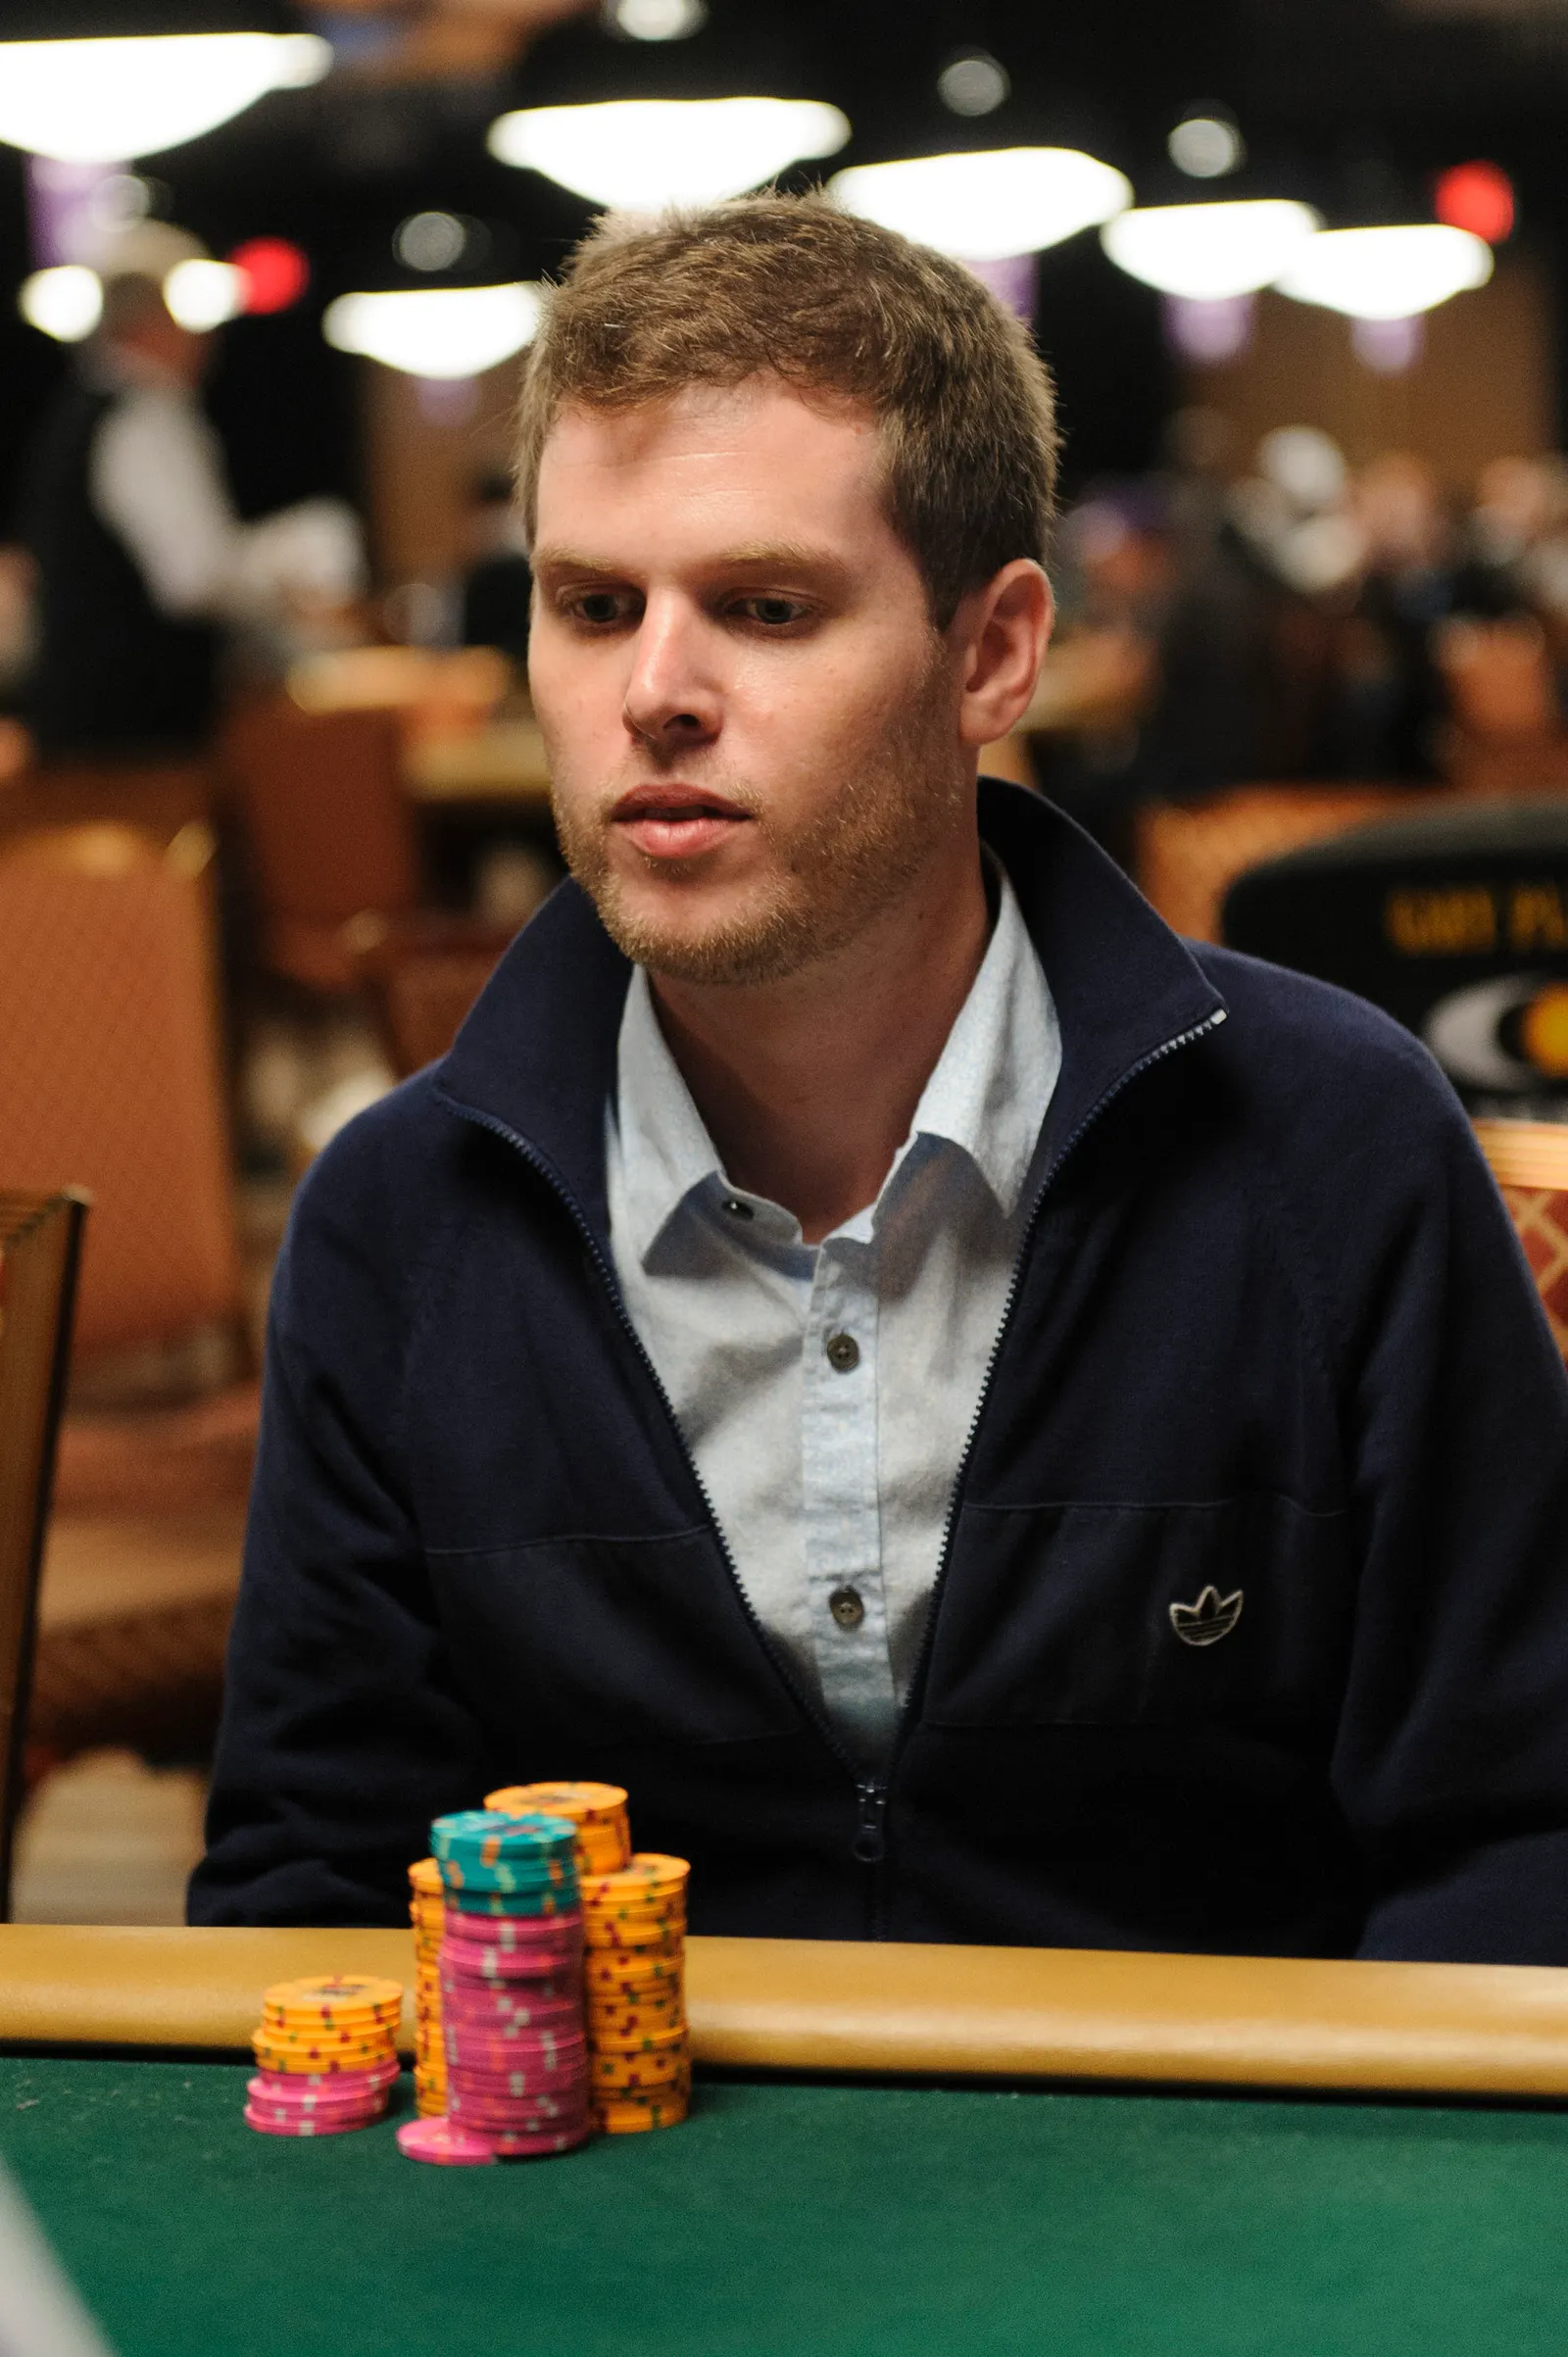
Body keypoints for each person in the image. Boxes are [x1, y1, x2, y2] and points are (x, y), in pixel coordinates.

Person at [191, 195, 1568, 1963]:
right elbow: (307, 1896)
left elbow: (1518, 1845)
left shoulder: (1330, 1142)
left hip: (1231, 2133)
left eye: (766, 607)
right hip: (628, 2149)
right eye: (592, 606)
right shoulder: (395, 1216)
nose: (655, 692)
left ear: (992, 652)